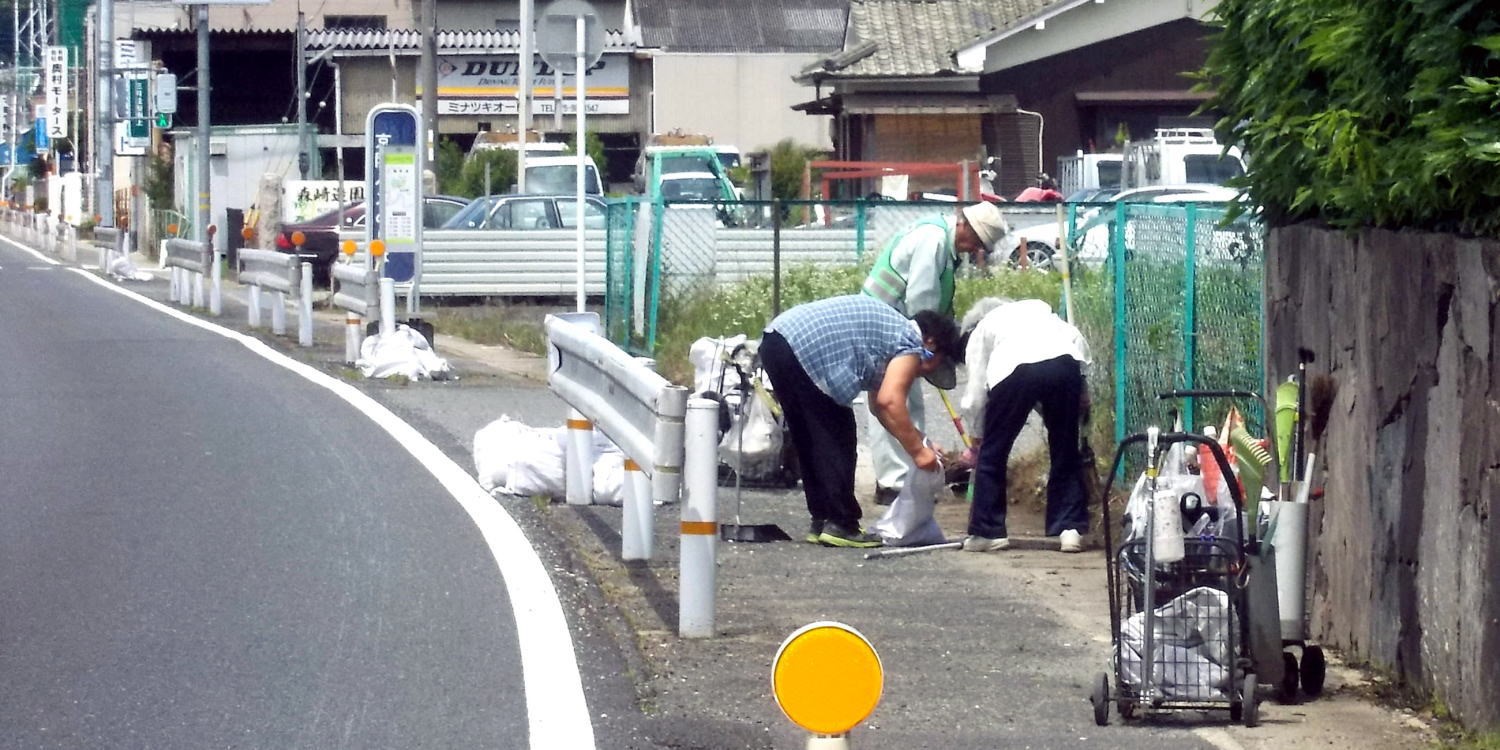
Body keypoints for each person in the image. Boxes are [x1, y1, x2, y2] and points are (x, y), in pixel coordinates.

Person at [759, 294, 963, 548]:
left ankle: (822, 519)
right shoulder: (909, 340)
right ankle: (841, 523)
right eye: (937, 364)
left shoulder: (888, 333)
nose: (926, 372)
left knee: (809, 436)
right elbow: (891, 401)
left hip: (775, 342)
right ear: (931, 343)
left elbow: (880, 407)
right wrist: (919, 454)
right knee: (838, 433)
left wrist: (923, 444)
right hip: (806, 347)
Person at [861, 201, 1008, 505]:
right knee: (896, 401)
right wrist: (928, 348)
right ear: (964, 225)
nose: (973, 250)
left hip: (894, 325)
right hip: (890, 325)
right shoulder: (935, 241)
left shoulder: (939, 236)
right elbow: (922, 300)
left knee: (900, 401)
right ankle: (896, 482)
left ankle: (906, 475)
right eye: (975, 242)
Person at [957, 297, 1092, 553]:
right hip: (1064, 365)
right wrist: (1082, 389)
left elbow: (975, 395)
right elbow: (1078, 345)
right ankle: (1070, 529)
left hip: (1014, 370)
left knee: (993, 451)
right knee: (1065, 448)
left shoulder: (982, 328)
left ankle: (988, 531)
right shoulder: (1045, 315)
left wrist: (977, 435)